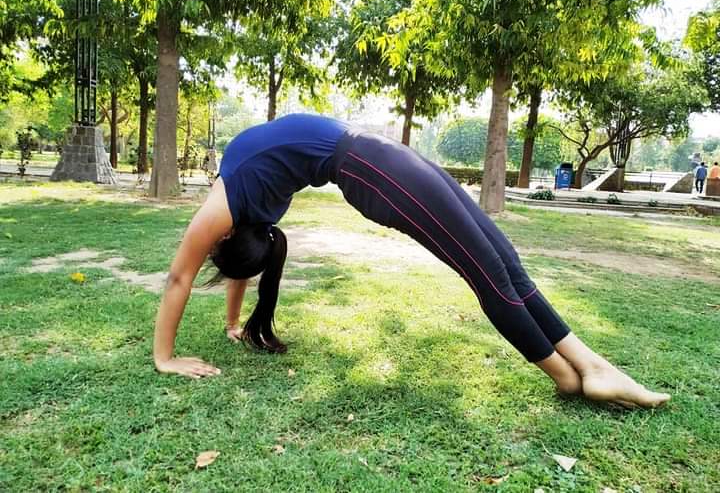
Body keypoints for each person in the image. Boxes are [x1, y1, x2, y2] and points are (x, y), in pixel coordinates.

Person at [153, 113, 670, 409]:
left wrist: (233, 325)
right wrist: (166, 357)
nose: (207, 250)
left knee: (502, 257)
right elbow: (186, 276)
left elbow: (220, 270)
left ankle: (589, 366)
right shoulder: (235, 208)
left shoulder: (242, 213)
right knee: (484, 269)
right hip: (373, 169)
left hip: (377, 158)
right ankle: (568, 375)